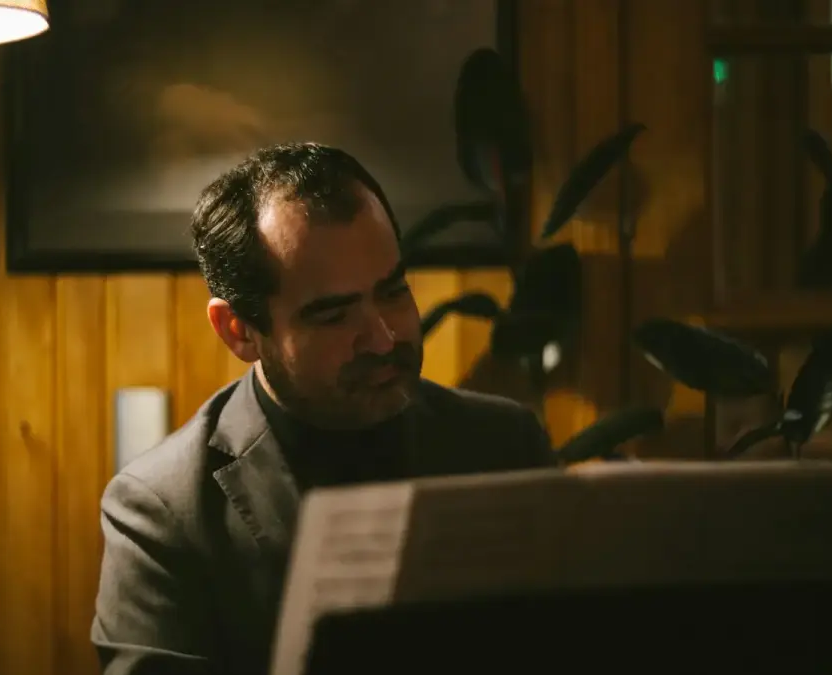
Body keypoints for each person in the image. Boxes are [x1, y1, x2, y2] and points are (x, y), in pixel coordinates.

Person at [92, 142, 557, 674]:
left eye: (394, 292)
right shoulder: (164, 512)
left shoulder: (505, 444)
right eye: (334, 316)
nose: (383, 339)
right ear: (239, 331)